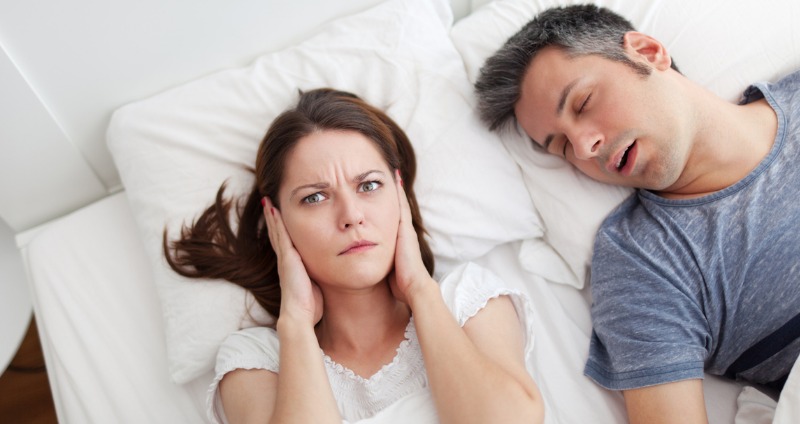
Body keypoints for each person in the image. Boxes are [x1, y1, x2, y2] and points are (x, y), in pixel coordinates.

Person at [474, 4, 800, 423]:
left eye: (583, 102)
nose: (585, 147)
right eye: (562, 147)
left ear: (647, 52)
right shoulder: (644, 262)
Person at [163, 88, 544, 424]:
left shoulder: (467, 301)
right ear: (276, 220)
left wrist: (419, 291)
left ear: (399, 195)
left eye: (369, 185)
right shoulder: (258, 361)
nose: (351, 216)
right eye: (314, 197)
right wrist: (295, 323)